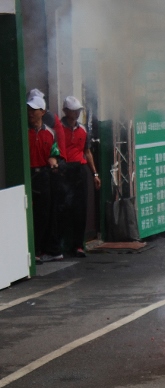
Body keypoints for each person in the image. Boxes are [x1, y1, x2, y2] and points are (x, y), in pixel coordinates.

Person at [60, 96, 101, 257]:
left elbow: (87, 152)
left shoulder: (83, 130)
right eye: (73, 110)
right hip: (64, 170)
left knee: (80, 209)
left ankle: (78, 245)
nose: (76, 113)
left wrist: (95, 173)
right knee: (63, 209)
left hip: (80, 170)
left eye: (78, 111)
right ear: (65, 111)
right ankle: (62, 245)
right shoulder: (58, 129)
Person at [26, 94, 60, 263]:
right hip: (27, 176)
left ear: (42, 112)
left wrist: (54, 162)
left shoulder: (50, 133)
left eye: (34, 110)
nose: (30, 113)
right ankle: (33, 250)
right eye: (29, 110)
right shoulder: (24, 131)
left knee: (44, 214)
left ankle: (42, 250)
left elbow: (54, 153)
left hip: (44, 177)